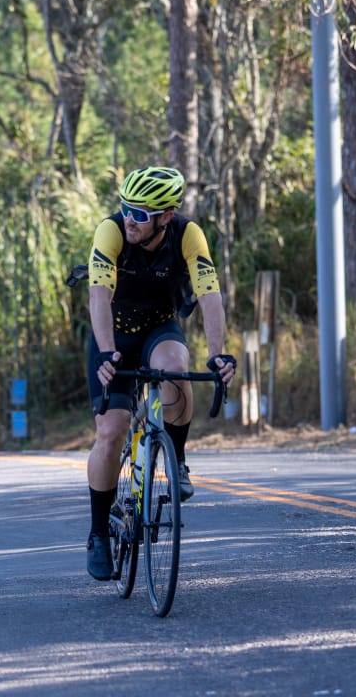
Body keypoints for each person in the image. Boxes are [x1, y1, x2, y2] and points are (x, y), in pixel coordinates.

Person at [83, 165, 236, 581]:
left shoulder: (188, 234)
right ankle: (99, 533)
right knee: (111, 433)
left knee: (177, 369)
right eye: (126, 209)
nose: (130, 219)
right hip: (111, 333)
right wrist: (107, 352)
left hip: (159, 327)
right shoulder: (111, 231)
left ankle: (178, 459)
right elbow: (99, 295)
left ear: (166, 216)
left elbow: (210, 295)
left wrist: (219, 355)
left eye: (141, 213)